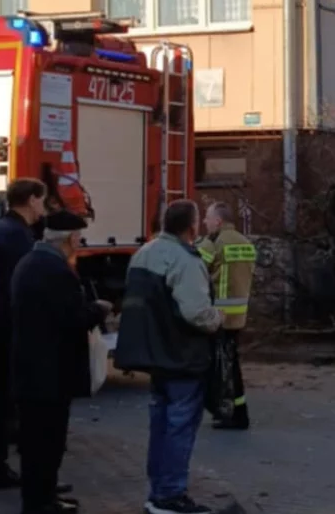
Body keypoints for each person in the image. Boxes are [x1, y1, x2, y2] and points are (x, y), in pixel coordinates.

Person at [115, 200, 223, 514]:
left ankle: (158, 493)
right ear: (192, 226)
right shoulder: (185, 260)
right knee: (179, 427)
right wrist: (218, 319)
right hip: (182, 356)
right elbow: (196, 312)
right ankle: (170, 495)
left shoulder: (143, 254)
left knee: (160, 427)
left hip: (155, 356)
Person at [11, 210, 112, 514]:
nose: (79, 243)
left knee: (36, 441)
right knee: (47, 441)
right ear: (69, 239)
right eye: (78, 237)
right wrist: (98, 310)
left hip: (32, 368)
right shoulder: (55, 270)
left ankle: (42, 497)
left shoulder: (29, 262)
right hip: (50, 372)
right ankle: (41, 502)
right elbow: (71, 319)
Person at [0, 178, 49, 491]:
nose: (43, 207)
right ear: (32, 200)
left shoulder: (6, 229)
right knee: (6, 402)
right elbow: (26, 283)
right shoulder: (15, 235)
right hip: (11, 326)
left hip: (2, 322)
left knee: (3, 401)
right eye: (42, 200)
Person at [197, 203, 256, 431]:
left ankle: (228, 411)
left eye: (207, 217)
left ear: (218, 221)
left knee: (221, 367)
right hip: (238, 315)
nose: (204, 222)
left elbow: (196, 270)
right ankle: (237, 412)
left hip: (218, 316)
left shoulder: (215, 243)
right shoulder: (245, 242)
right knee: (231, 365)